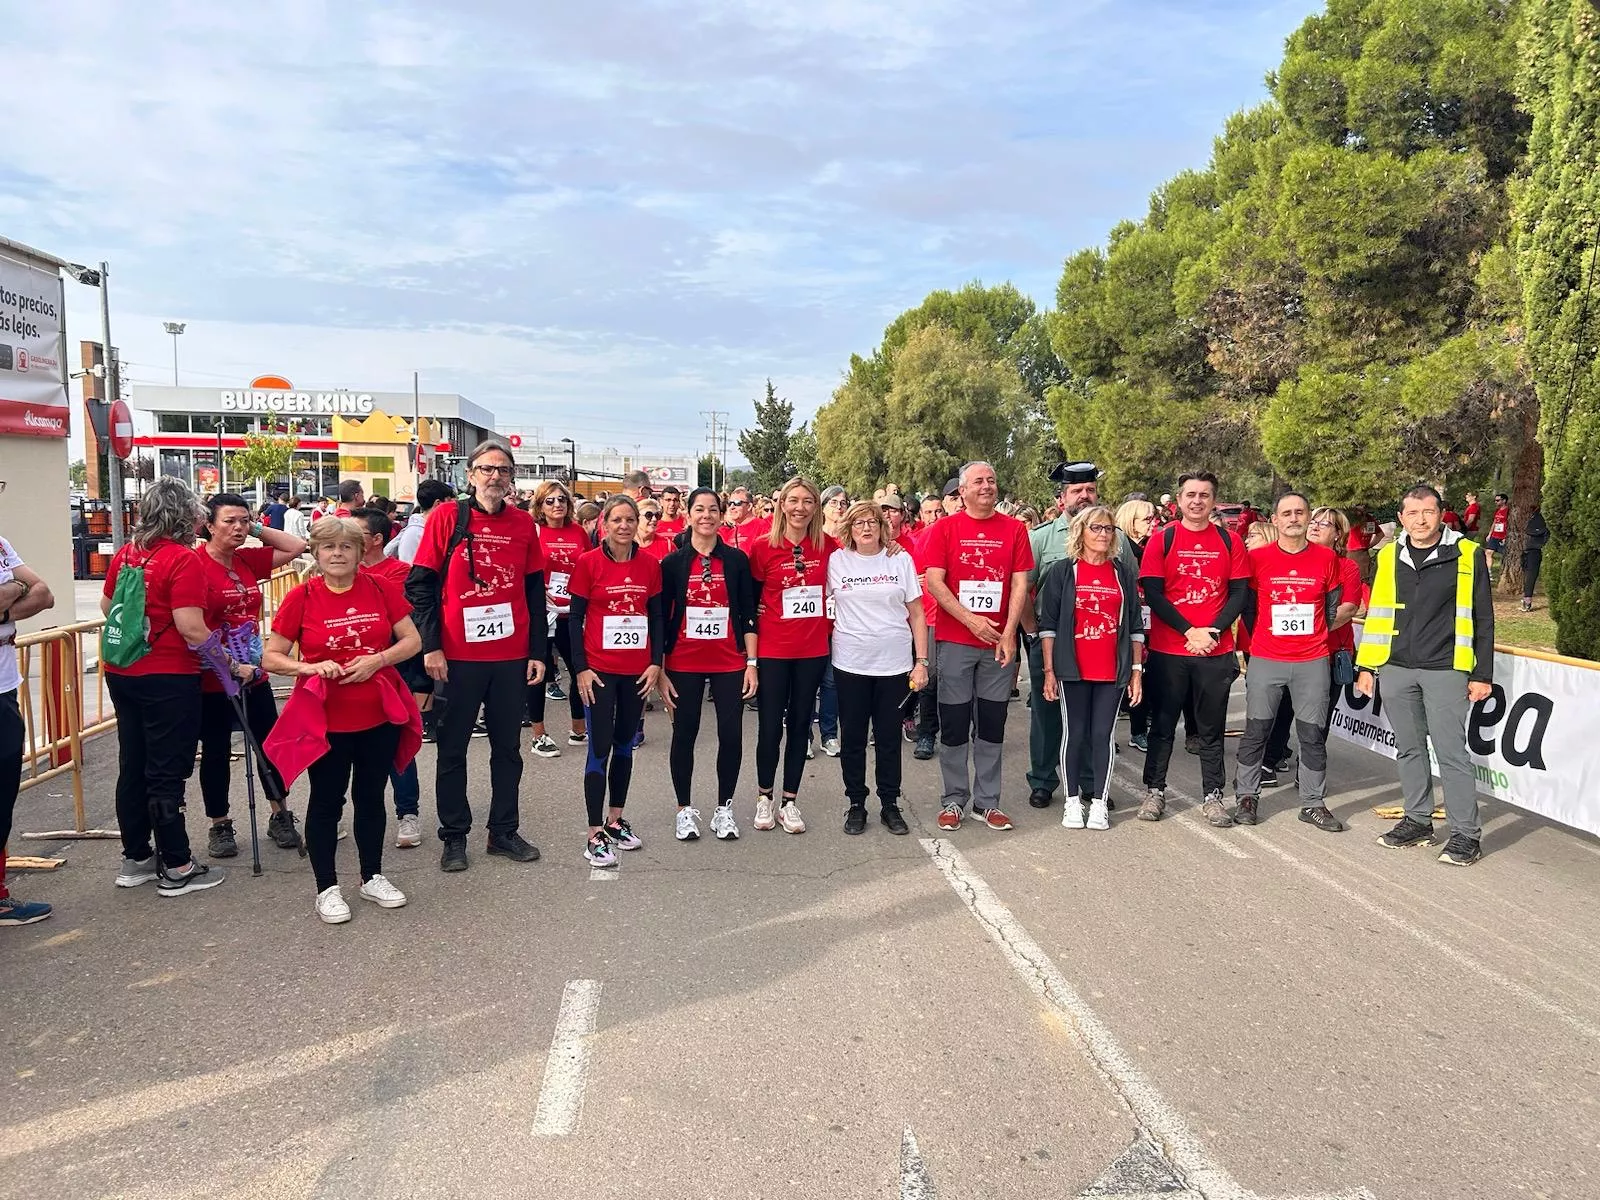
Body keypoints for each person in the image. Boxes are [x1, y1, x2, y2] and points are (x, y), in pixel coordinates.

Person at [263, 518, 422, 923]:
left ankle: (372, 877)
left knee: (371, 798)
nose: (338, 554)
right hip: (327, 719)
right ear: (316, 554)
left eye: (346, 547)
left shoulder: (381, 588)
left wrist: (378, 659)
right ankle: (327, 887)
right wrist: (311, 668)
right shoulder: (301, 596)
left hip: (377, 715)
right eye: (329, 547)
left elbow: (412, 640)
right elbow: (272, 656)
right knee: (326, 802)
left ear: (359, 551)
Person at [406, 439, 548, 873]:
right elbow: (420, 585)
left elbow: (533, 591)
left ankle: (503, 831)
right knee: (452, 748)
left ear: (511, 478)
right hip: (458, 657)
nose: (495, 477)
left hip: (509, 657)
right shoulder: (448, 517)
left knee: (508, 748)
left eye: (503, 470)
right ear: (470, 475)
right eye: (486, 469)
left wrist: (538, 652)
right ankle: (454, 836)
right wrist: (431, 646)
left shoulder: (524, 523)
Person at [1357, 484, 1495, 866]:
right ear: (1401, 518)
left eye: (1428, 512)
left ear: (1441, 515)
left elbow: (1484, 618)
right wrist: (1368, 666)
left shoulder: (1466, 554)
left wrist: (1482, 673)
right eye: (1412, 513)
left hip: (1446, 669)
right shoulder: (1388, 556)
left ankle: (1466, 834)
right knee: (1409, 748)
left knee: (1451, 753)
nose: (1420, 520)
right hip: (1396, 667)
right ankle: (1418, 820)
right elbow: (1378, 614)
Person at [101, 479, 225, 896]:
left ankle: (135, 856)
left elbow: (108, 608)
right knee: (166, 770)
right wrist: (226, 661)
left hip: (124, 670)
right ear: (184, 515)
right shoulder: (182, 559)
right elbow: (192, 628)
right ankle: (177, 863)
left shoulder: (127, 554)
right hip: (168, 675)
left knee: (133, 763)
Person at [922, 461, 1034, 832]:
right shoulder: (944, 528)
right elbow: (935, 583)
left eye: (992, 480)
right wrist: (970, 620)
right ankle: (954, 800)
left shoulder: (1015, 530)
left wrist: (1008, 633)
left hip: (998, 645)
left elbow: (1020, 585)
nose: (987, 486)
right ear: (963, 491)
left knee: (991, 724)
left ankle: (987, 802)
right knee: (953, 724)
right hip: (956, 642)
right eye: (979, 481)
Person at [195, 493, 307, 858]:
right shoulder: (194, 564)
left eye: (244, 521)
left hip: (254, 672)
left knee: (268, 746)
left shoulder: (246, 559)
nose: (239, 528)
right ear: (208, 526)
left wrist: (258, 527)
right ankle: (220, 824)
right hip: (212, 674)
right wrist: (228, 663)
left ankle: (280, 814)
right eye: (229, 521)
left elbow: (297, 545)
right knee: (215, 751)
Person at [1136, 471, 1250, 827]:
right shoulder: (1162, 539)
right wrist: (1189, 630)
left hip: (1214, 651)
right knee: (1163, 725)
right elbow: (1153, 593)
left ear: (1213, 500)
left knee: (1210, 729)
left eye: (1204, 495)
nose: (1197, 501)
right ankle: (1155, 791)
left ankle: (1213, 796)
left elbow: (1239, 593)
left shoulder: (1230, 541)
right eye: (1190, 494)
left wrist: (1212, 631)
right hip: (1172, 649)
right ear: (1179, 500)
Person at [1229, 493, 1346, 832]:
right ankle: (1247, 796)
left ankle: (1312, 802)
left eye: (1300, 512)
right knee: (1257, 730)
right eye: (1287, 513)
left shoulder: (1326, 558)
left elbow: (1331, 607)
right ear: (1276, 520)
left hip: (1312, 660)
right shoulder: (1258, 558)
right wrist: (1267, 638)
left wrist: (1310, 639)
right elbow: (1248, 608)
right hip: (1267, 657)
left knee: (1312, 734)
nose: (1294, 518)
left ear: (1309, 518)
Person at [568, 495, 664, 867]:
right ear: (604, 523)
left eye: (630, 519)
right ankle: (594, 833)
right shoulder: (587, 563)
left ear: (637, 523)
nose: (624, 526)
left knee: (625, 745)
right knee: (600, 748)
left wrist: (656, 663)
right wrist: (580, 668)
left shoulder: (649, 565)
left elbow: (656, 617)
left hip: (637, 672)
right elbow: (574, 620)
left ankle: (615, 820)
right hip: (600, 672)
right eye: (617, 520)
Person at [659, 488, 758, 840]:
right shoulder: (672, 564)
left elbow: (748, 613)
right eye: (699, 509)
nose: (706, 515)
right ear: (688, 515)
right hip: (684, 660)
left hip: (728, 661)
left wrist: (752, 662)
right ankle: (684, 810)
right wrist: (660, 668)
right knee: (685, 733)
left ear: (722, 515)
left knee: (730, 735)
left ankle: (724, 809)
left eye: (713, 509)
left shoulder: (736, 560)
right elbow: (660, 618)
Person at [1037, 506, 1144, 831]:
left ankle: (1098, 802)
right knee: (1075, 733)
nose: (1103, 534)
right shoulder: (1063, 572)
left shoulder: (1122, 572)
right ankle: (1072, 802)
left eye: (1109, 529)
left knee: (1103, 735)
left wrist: (1136, 670)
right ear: (1081, 531)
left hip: (1112, 670)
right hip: (1073, 669)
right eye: (1096, 528)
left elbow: (1135, 625)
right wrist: (1049, 671)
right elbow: (1049, 626)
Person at [829, 500, 926, 836]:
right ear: (849, 528)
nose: (866, 528)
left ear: (883, 526)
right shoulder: (836, 561)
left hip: (894, 665)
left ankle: (889, 804)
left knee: (887, 739)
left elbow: (916, 613)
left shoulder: (900, 559)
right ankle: (856, 803)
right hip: (850, 664)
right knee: (853, 739)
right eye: (858, 523)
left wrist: (921, 662)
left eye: (872, 521)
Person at [747, 477, 835, 833]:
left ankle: (790, 801)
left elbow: (864, 559)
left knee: (801, 725)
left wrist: (890, 547)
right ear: (782, 504)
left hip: (812, 649)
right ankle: (764, 797)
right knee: (770, 727)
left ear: (816, 507)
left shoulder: (829, 547)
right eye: (793, 501)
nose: (800, 508)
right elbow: (749, 604)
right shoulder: (761, 547)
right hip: (773, 649)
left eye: (807, 501)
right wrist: (750, 658)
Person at [1023, 462, 1102, 810]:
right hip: (1052, 639)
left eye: (1089, 490)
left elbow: (1127, 586)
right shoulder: (1040, 538)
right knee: (1047, 713)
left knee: (1091, 715)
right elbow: (1023, 590)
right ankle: (1042, 779)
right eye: (1076, 491)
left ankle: (1089, 781)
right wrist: (1032, 633)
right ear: (1061, 499)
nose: (1084, 496)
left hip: (1098, 640)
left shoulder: (1109, 536)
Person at [350, 506, 427, 849]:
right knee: (341, 748)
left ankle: (407, 812)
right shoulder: (335, 574)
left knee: (397, 744)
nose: (345, 543)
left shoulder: (399, 572)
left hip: (392, 671)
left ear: (377, 539)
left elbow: (403, 626)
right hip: (345, 675)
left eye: (355, 535)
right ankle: (336, 812)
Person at [0, 533, 56, 925]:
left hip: (5, 688)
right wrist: (17, 589)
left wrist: (8, 601)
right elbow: (28, 588)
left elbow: (44, 593)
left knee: (3, 801)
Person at [529, 479, 589, 757]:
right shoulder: (534, 531)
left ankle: (578, 729)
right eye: (550, 501)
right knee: (538, 672)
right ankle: (538, 734)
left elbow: (589, 566)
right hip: (541, 613)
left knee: (579, 669)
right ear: (540, 505)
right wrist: (537, 593)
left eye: (561, 500)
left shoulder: (578, 531)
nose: (557, 505)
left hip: (571, 612)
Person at [1307, 506, 1367, 752]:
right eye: (1313, 521)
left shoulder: (1347, 567)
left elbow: (1349, 609)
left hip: (1330, 652)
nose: (1314, 526)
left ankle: (1310, 766)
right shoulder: (1292, 560)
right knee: (1283, 708)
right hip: (1289, 651)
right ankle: (1273, 757)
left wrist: (1308, 632)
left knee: (1320, 713)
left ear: (1338, 534)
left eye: (1324, 524)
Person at [1115, 498, 1157, 753]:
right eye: (1147, 519)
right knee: (1118, 678)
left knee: (1143, 674)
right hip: (1121, 619)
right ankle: (1106, 737)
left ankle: (1139, 730)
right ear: (1131, 521)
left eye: (1154, 518)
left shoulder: (1154, 546)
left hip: (1148, 620)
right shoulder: (1120, 546)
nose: (1154, 523)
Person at [1521, 504, 1548, 612]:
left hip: (1534, 549)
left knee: (1530, 575)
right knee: (1530, 575)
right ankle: (1527, 600)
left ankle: (1527, 601)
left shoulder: (1537, 519)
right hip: (1533, 549)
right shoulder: (1536, 519)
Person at [1347, 504, 1381, 585]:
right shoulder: (1369, 518)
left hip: (1351, 553)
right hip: (1364, 554)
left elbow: (1380, 534)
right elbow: (1380, 534)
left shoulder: (1351, 518)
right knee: (1365, 580)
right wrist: (1370, 545)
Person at [636, 499, 673, 564]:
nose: (654, 519)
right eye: (649, 515)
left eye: (657, 515)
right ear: (637, 517)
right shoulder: (626, 545)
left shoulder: (667, 545)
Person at [1484, 493, 1510, 576]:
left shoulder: (1508, 511)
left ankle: (1505, 572)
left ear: (1504, 501)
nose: (1496, 502)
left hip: (1503, 536)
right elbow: (1495, 522)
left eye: (1498, 500)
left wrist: (1506, 536)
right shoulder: (1498, 511)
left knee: (1505, 554)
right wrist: (1490, 534)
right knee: (1488, 552)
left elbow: (1509, 523)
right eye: (1495, 500)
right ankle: (1488, 572)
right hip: (1495, 535)